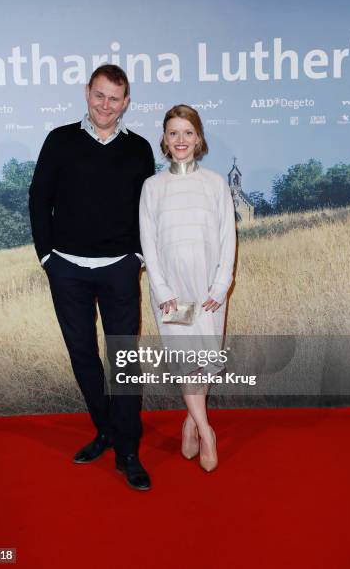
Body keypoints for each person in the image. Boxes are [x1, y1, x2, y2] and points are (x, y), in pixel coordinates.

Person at [29, 64, 155, 491]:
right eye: (99, 95)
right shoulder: (60, 140)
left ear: (126, 103)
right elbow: (38, 198)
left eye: (114, 98)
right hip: (67, 269)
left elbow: (146, 208)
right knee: (83, 355)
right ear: (87, 93)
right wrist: (47, 257)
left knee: (123, 359)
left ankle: (128, 451)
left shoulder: (138, 149)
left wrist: (136, 256)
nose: (106, 105)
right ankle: (105, 430)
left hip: (119, 268)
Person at [139, 104, 236, 472]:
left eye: (187, 132)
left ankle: (189, 421)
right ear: (164, 139)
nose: (180, 140)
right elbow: (149, 243)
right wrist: (163, 291)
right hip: (173, 295)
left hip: (209, 290)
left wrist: (221, 284)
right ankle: (207, 430)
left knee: (206, 361)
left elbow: (228, 238)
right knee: (186, 362)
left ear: (199, 138)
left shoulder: (216, 184)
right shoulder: (152, 187)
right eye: (173, 133)